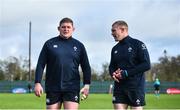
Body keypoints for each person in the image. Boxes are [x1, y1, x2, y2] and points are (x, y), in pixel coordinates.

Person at [34, 17, 91, 110]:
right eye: (63, 27)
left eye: (68, 27)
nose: (66, 29)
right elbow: (41, 64)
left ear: (73, 29)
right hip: (53, 87)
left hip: (72, 87)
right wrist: (37, 82)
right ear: (58, 28)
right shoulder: (49, 44)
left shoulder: (79, 46)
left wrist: (87, 85)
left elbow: (86, 67)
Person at [109, 20, 151, 110]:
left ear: (123, 29)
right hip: (119, 88)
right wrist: (113, 73)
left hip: (135, 88)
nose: (112, 33)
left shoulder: (138, 44)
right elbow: (111, 66)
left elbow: (146, 64)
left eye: (114, 30)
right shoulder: (115, 49)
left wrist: (126, 73)